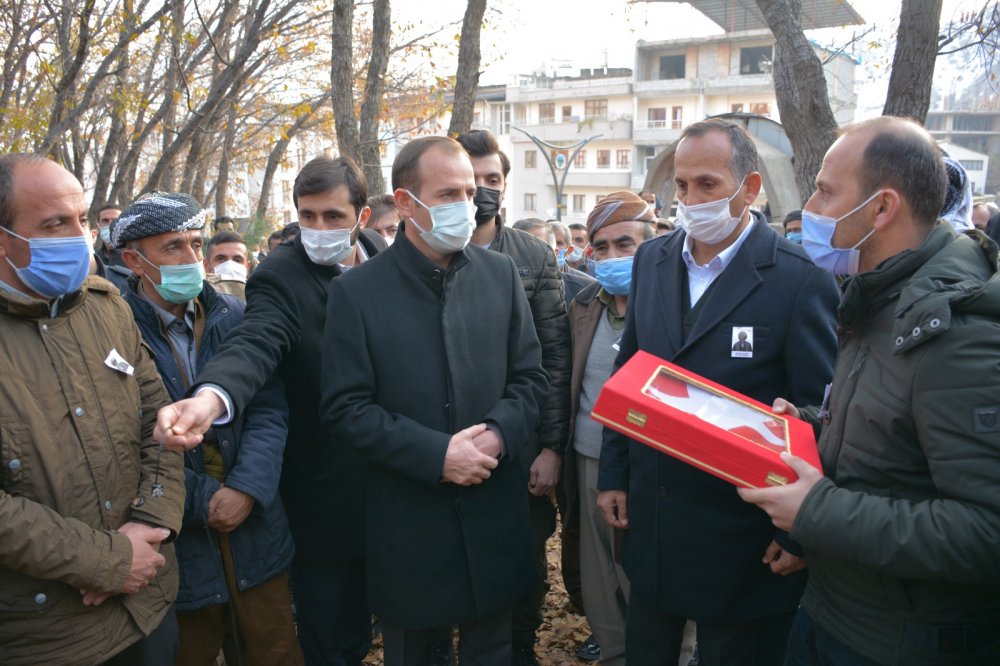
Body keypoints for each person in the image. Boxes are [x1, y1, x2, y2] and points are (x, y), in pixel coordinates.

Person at [739, 116, 1000, 665]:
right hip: (834, 609)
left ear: (881, 209)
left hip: (900, 640)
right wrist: (809, 423)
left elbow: (986, 530)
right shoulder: (877, 299)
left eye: (826, 191)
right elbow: (892, 437)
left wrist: (817, 512)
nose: (809, 206)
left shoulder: (957, 331)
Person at [597, 118, 840, 666]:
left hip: (742, 539)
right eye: (681, 186)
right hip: (654, 523)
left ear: (750, 188)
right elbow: (630, 373)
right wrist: (615, 473)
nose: (689, 199)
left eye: (707, 184)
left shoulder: (799, 279)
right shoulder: (653, 261)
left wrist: (803, 531)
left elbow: (823, 415)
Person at [319, 135, 548, 666]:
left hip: (493, 507)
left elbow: (531, 379)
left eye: (470, 192)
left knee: (493, 648)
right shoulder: (357, 292)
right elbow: (345, 408)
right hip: (409, 519)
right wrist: (437, 455)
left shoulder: (501, 275)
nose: (467, 206)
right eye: (448, 194)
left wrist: (496, 433)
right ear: (405, 203)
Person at [153, 155, 383, 665]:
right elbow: (256, 343)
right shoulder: (280, 275)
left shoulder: (384, 255)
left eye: (332, 217)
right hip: (324, 484)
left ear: (362, 218)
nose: (317, 229)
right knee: (331, 629)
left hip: (394, 474)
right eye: (307, 216)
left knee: (376, 614)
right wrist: (212, 397)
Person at [0, 154, 185, 665]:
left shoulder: (107, 306)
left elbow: (160, 423)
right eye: (54, 224)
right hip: (47, 636)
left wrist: (152, 523)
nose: (78, 236)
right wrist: (104, 562)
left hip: (148, 603)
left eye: (81, 220)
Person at [114, 193, 303, 666]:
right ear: (134, 260)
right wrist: (203, 499)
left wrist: (247, 488)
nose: (193, 259)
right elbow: (126, 433)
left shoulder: (235, 316)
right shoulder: (114, 333)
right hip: (179, 545)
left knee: (273, 650)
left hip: (255, 531)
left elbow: (268, 407)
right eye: (173, 247)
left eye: (197, 244)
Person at [457, 129, 571, 665]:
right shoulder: (427, 252)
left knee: (524, 564)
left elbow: (553, 355)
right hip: (449, 441)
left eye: (491, 180)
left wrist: (551, 446)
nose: (481, 189)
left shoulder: (532, 256)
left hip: (522, 441)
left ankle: (519, 653)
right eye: (470, 180)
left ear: (505, 185)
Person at [564, 191, 656, 666]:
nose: (612, 257)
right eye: (601, 248)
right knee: (600, 574)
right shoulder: (582, 305)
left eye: (625, 244)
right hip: (588, 455)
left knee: (647, 575)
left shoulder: (670, 302)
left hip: (649, 464)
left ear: (652, 242)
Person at [203, 229, 251, 300]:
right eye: (221, 259)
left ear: (247, 266)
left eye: (237, 260)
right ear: (206, 265)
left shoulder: (259, 300)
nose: (230, 266)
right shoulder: (197, 304)